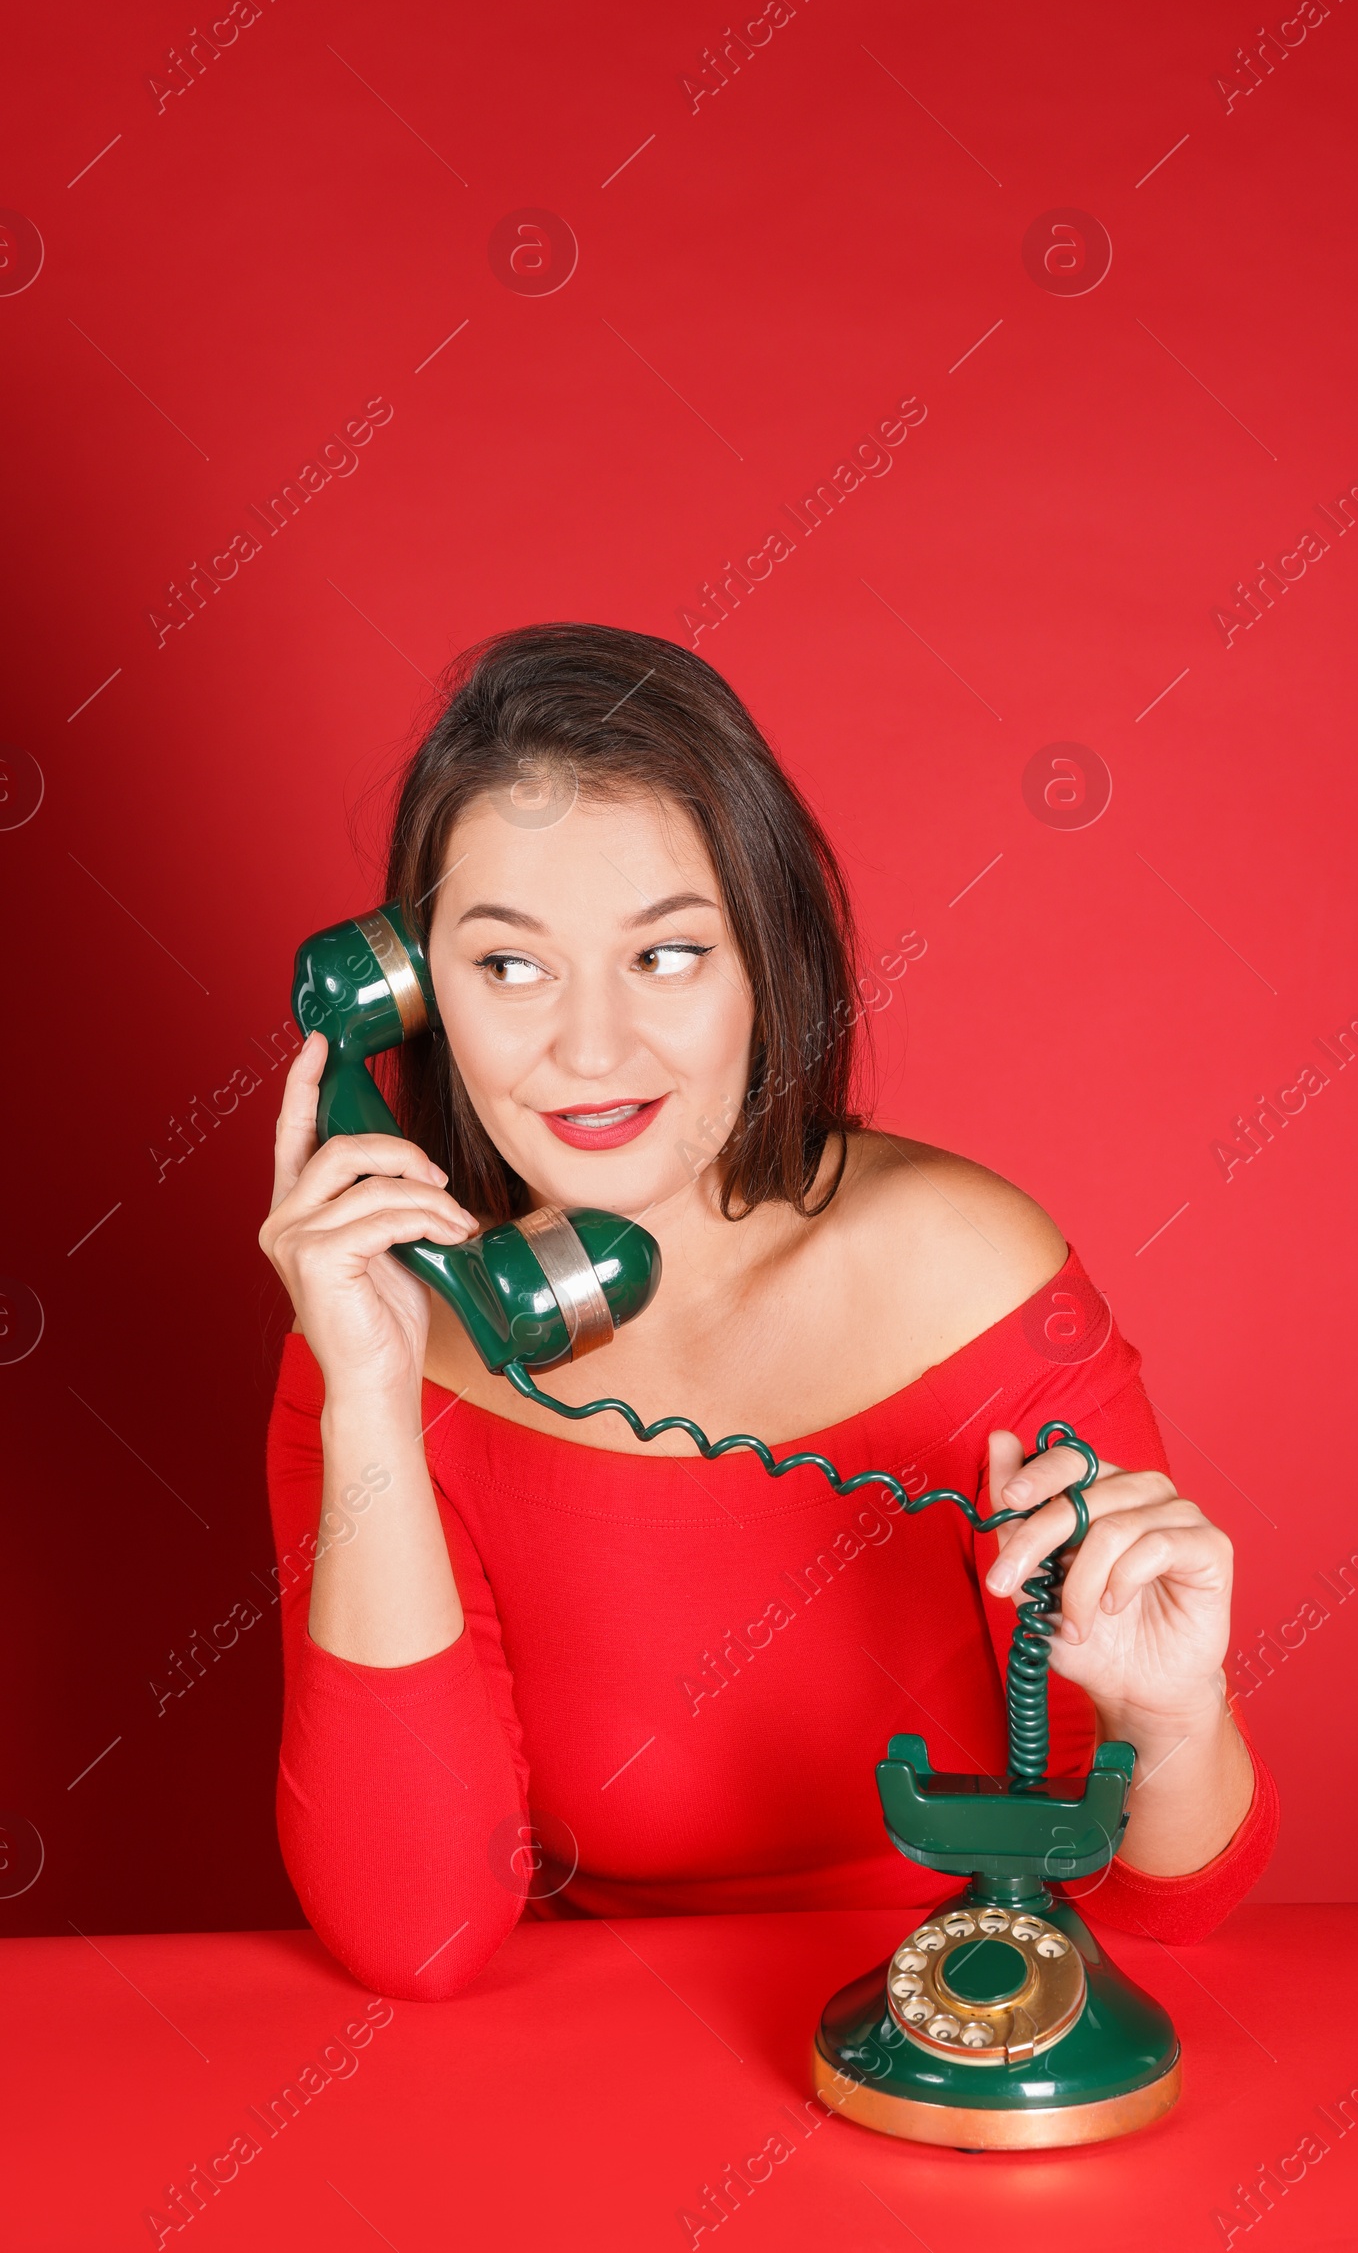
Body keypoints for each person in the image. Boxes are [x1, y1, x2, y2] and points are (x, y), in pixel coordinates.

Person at [259, 623, 1277, 2000]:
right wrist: (371, 1393)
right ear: (405, 991)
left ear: (766, 960)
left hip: (959, 2020)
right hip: (581, 2087)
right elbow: (416, 1939)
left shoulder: (967, 1276)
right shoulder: (378, 1339)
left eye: (666, 957)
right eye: (508, 966)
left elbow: (1174, 1911)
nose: (591, 1048)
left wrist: (1169, 1718)